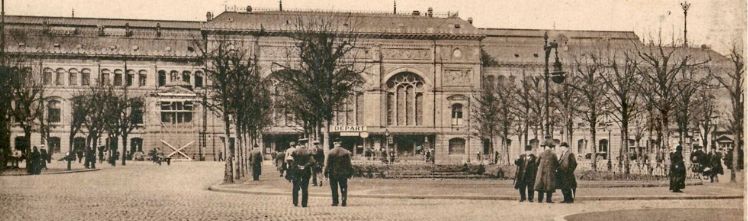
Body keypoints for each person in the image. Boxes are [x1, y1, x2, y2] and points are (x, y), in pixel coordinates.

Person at [325, 138, 353, 207]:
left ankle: (335, 201)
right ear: (340, 143)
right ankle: (344, 200)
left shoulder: (331, 152)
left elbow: (328, 164)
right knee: (343, 187)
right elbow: (349, 164)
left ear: (334, 143)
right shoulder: (346, 152)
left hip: (333, 173)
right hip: (343, 173)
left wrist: (325, 172)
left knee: (334, 188)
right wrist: (350, 173)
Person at [290, 138, 315, 207]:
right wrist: (305, 166)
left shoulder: (295, 151)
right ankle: (304, 203)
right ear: (305, 144)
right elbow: (312, 162)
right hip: (306, 171)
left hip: (296, 171)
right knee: (305, 188)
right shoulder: (308, 151)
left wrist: (297, 166)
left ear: (299, 144)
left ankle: (295, 202)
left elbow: (291, 161)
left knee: (295, 187)